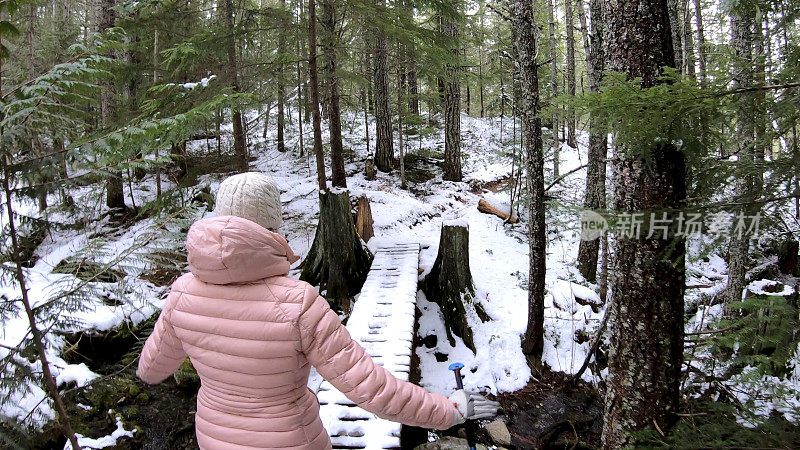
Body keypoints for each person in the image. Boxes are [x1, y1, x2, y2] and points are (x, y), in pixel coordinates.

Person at [137, 172, 499, 449]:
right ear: (273, 226)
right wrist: (449, 410)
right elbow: (372, 389)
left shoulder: (182, 294)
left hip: (213, 439)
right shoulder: (297, 303)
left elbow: (151, 370)